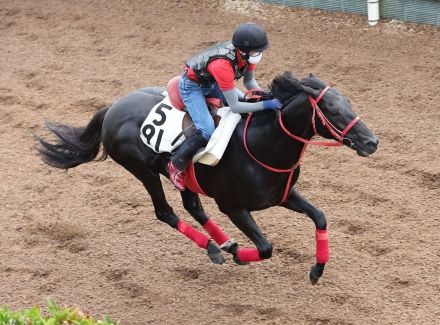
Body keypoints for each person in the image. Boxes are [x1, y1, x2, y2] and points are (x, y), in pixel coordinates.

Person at [167, 22, 282, 191]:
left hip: (213, 82)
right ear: (244, 51)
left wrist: (261, 94)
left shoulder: (247, 55)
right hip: (192, 87)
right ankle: (175, 164)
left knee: (250, 104)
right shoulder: (223, 66)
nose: (260, 54)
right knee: (207, 131)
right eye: (257, 51)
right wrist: (266, 104)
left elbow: (249, 81)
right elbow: (235, 106)